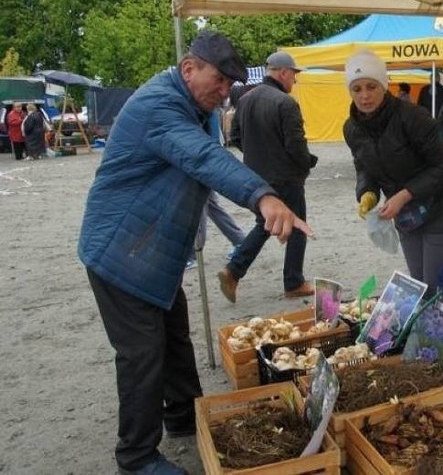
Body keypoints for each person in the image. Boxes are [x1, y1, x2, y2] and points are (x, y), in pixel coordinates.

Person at [78, 31, 313, 475]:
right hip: (121, 252)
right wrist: (263, 196)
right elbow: (203, 158)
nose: (225, 92)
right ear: (189, 68)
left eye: (230, 84)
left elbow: (206, 159)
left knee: (175, 336)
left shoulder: (193, 105)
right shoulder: (158, 108)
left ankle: (184, 415)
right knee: (142, 353)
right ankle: (136, 457)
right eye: (219, 80)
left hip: (152, 252)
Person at [343, 50, 443, 298]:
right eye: (357, 89)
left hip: (442, 209)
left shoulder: (412, 117)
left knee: (435, 287)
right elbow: (364, 166)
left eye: (371, 86)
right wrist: (367, 192)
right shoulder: (352, 128)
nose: (365, 95)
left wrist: (404, 194)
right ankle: (425, 332)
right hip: (407, 217)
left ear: (384, 85)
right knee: (418, 284)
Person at [218, 51, 318, 303]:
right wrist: (307, 164)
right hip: (286, 176)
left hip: (257, 177)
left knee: (266, 223)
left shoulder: (246, 100)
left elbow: (235, 138)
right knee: (295, 225)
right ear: (283, 73)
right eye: (293, 75)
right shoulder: (285, 103)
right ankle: (293, 281)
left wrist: (257, 157)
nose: (294, 81)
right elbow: (296, 145)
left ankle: (234, 270)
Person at [187, 113, 246, 270]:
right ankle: (239, 240)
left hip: (201, 166)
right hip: (200, 164)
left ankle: (192, 254)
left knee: (199, 208)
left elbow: (211, 142)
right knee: (212, 206)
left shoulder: (206, 111)